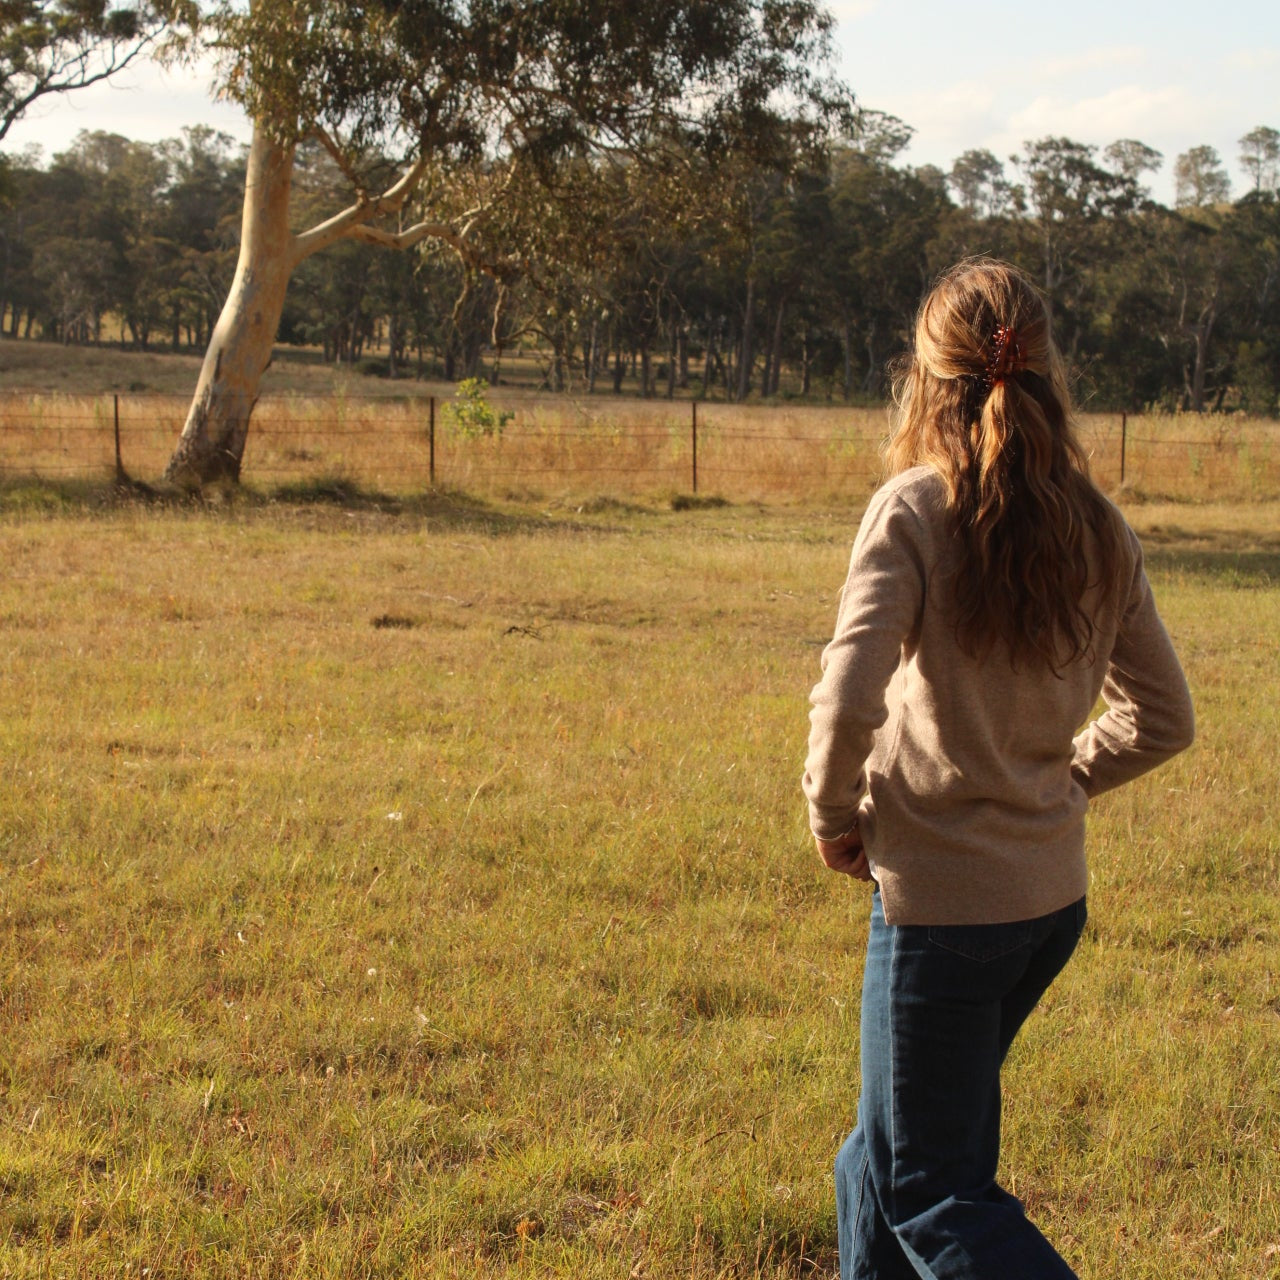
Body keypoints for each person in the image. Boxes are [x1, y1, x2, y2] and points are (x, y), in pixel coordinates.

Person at [802, 258, 1194, 1280]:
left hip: (941, 912)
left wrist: (831, 813)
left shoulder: (911, 509)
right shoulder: (1097, 526)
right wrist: (1061, 785)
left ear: (926, 379)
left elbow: (847, 697)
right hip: (1043, 907)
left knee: (932, 1186)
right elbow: (1162, 717)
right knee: (876, 1149)